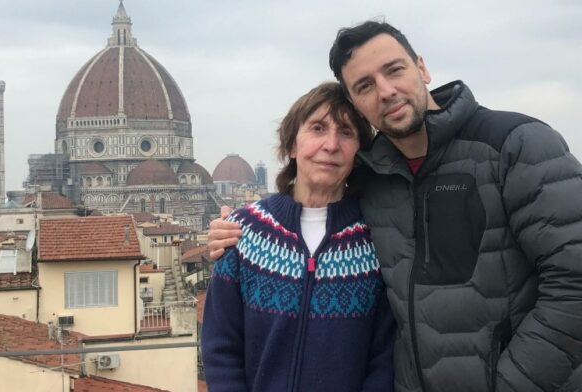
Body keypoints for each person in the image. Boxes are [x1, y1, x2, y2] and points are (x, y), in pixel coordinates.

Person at [208, 21, 582, 392]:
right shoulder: (374, 183)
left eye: (394, 69)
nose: (385, 91)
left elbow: (573, 281)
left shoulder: (516, 144)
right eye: (365, 86)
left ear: (421, 67)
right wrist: (233, 230)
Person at [202, 81, 395, 392]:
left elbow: (385, 357)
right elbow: (220, 347)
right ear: (291, 145)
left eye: (346, 133)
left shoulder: (379, 240)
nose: (331, 145)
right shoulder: (242, 232)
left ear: (358, 153)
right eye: (318, 128)